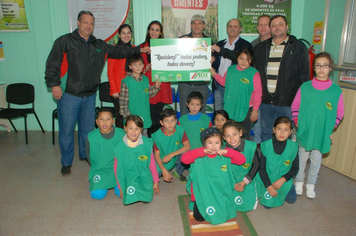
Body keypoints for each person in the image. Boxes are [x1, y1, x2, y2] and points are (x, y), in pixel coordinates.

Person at [45, 10, 150, 176]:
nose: (88, 26)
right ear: (78, 23)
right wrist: (54, 84)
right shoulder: (64, 41)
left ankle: (86, 157)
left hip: (89, 96)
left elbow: (120, 51)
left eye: (91, 23)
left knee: (88, 132)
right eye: (85, 22)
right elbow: (52, 64)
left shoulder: (99, 44)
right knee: (66, 131)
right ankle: (66, 163)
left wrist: (139, 50)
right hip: (69, 95)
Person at [291, 52, 344, 198]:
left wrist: (330, 128)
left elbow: (340, 112)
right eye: (318, 65)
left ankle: (310, 184)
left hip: (321, 133)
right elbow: (295, 106)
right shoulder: (305, 87)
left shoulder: (335, 90)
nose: (321, 69)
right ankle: (299, 182)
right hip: (306, 130)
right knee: (302, 158)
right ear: (314, 68)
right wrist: (297, 122)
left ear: (330, 67)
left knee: (316, 159)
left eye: (325, 65)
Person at [253, 14, 309, 142]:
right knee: (266, 133)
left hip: (287, 103)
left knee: (285, 136)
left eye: (280, 25)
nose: (277, 28)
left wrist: (299, 102)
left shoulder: (298, 47)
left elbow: (304, 77)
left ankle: (284, 162)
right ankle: (267, 161)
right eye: (273, 25)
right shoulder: (261, 48)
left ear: (287, 27)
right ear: (270, 28)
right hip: (266, 101)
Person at [181, 127, 246, 225]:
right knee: (199, 218)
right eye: (210, 143)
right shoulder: (199, 154)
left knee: (224, 215)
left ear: (221, 142)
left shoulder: (225, 153)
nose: (213, 146)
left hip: (220, 192)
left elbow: (242, 160)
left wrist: (228, 152)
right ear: (204, 142)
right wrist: (201, 152)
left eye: (217, 143)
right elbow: (184, 159)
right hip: (203, 192)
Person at [210, 47, 262, 140]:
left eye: (247, 59)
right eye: (241, 58)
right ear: (237, 58)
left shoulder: (254, 73)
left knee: (244, 134)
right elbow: (225, 83)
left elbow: (258, 93)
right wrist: (214, 74)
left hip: (247, 109)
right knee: (230, 133)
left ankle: (245, 154)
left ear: (251, 60)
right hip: (231, 107)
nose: (244, 61)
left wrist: (255, 110)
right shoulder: (230, 70)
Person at [113, 115, 161, 205]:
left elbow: (151, 164)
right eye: (130, 128)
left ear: (141, 129)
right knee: (130, 197)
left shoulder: (147, 144)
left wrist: (155, 181)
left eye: (137, 128)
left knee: (147, 199)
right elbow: (117, 169)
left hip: (143, 174)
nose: (134, 132)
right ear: (125, 128)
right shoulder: (119, 147)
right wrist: (120, 187)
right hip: (128, 175)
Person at [255, 116, 299, 209]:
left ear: (290, 132)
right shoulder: (266, 145)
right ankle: (262, 187)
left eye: (286, 130)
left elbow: (295, 168)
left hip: (283, 178)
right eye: (279, 129)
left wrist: (283, 179)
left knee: (291, 199)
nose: (282, 133)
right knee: (267, 206)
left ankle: (290, 186)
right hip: (268, 177)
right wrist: (268, 186)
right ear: (274, 130)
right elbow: (261, 169)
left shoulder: (293, 147)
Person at [211, 18, 252, 111]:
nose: (232, 28)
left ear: (240, 29)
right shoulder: (220, 43)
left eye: (235, 26)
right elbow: (216, 63)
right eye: (230, 26)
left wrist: (220, 50)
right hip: (218, 85)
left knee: (233, 113)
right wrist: (213, 59)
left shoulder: (245, 45)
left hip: (235, 87)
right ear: (226, 28)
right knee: (219, 114)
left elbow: (239, 58)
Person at [140, 21, 172, 136]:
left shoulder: (166, 47)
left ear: (160, 33)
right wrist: (145, 68)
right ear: (148, 31)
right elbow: (134, 68)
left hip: (161, 85)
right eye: (152, 29)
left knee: (159, 116)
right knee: (149, 115)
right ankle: (150, 141)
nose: (154, 32)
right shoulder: (141, 48)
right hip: (148, 84)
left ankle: (158, 142)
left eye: (157, 30)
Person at [86, 108, 125, 200]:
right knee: (97, 195)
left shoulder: (121, 134)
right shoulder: (91, 137)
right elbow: (89, 157)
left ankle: (118, 184)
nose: (105, 122)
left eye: (108, 119)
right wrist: (97, 167)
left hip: (118, 170)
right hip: (100, 170)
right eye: (101, 119)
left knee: (122, 193)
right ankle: (101, 183)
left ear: (113, 121)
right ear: (96, 121)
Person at [222, 120, 260, 212]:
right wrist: (231, 183)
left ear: (240, 133)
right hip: (231, 180)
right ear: (224, 137)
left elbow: (256, 165)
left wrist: (244, 182)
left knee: (248, 207)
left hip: (248, 178)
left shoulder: (251, 146)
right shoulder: (222, 149)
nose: (232, 138)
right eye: (228, 136)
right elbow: (221, 170)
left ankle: (253, 195)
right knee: (226, 204)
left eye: (234, 134)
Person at [119, 54, 161, 135]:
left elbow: (147, 94)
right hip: (132, 118)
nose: (138, 67)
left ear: (143, 65)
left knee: (144, 138)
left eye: (140, 64)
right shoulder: (127, 81)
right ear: (130, 67)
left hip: (144, 116)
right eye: (135, 65)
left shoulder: (145, 79)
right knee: (132, 139)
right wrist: (129, 119)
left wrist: (156, 87)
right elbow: (123, 103)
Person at [178, 14, 210, 116]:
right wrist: (178, 43)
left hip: (201, 84)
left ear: (204, 25)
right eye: (194, 23)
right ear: (191, 25)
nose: (197, 26)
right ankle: (185, 133)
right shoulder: (182, 40)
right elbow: (174, 56)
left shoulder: (209, 42)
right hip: (185, 84)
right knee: (184, 113)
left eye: (199, 23)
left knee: (202, 115)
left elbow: (216, 62)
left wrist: (213, 59)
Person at [152, 109, 190, 183]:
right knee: (151, 179)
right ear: (161, 123)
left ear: (176, 121)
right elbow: (156, 156)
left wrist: (171, 155)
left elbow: (188, 146)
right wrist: (163, 170)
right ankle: (164, 170)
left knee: (187, 154)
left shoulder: (180, 130)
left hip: (175, 156)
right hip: (163, 160)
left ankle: (177, 171)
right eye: (166, 121)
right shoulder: (156, 136)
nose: (170, 124)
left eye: (172, 120)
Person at [107, 24, 135, 128]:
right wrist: (114, 89)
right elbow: (110, 72)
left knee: (131, 115)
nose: (126, 35)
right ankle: (119, 138)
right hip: (118, 90)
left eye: (128, 32)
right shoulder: (114, 49)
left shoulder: (134, 49)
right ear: (119, 35)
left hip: (132, 89)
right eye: (123, 33)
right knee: (120, 115)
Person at [250, 14, 271, 144]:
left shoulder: (278, 45)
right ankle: (258, 155)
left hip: (273, 94)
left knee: (269, 126)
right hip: (256, 92)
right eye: (260, 25)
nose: (263, 27)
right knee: (257, 126)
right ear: (257, 27)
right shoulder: (252, 45)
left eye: (266, 24)